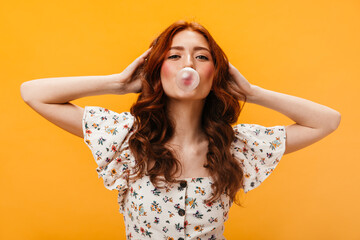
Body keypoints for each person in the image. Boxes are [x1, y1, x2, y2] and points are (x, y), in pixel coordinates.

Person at [20, 20, 341, 240]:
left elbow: (327, 120)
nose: (189, 65)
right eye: (174, 55)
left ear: (216, 73)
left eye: (201, 56)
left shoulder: (235, 147)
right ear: (159, 70)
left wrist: (252, 92)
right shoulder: (125, 139)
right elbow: (32, 93)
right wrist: (116, 83)